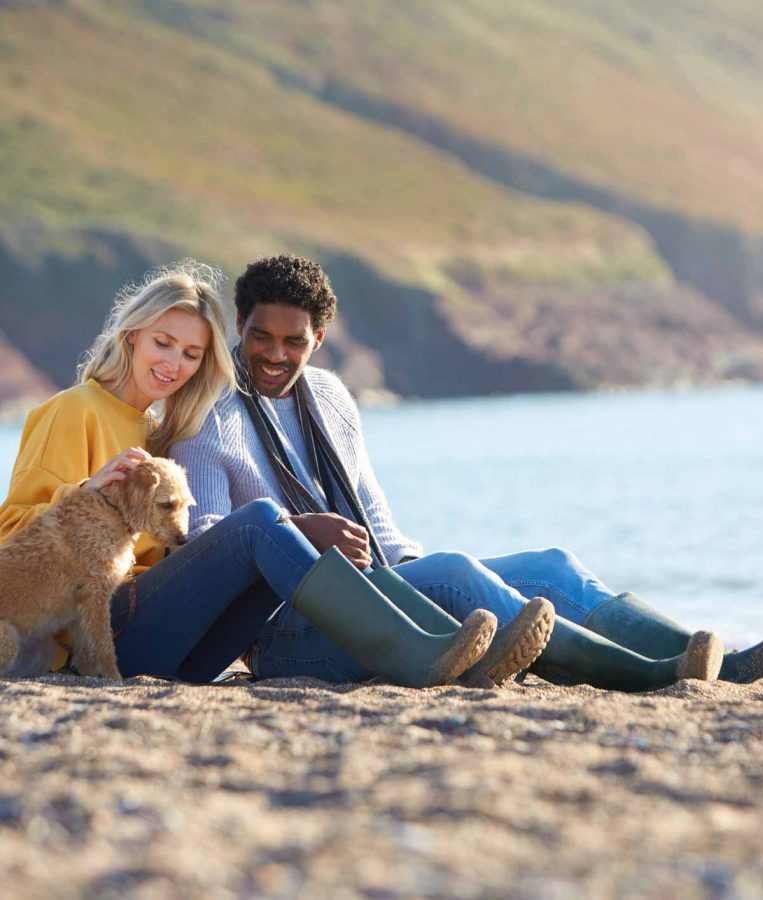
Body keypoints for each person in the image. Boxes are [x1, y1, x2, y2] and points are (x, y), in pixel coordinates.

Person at [173, 256, 763, 692]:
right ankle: (655, 673)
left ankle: (722, 661)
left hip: (379, 598)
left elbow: (381, 528)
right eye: (261, 337)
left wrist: (414, 583)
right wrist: (301, 530)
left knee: (552, 567)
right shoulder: (210, 410)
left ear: (319, 339)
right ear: (241, 325)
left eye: (294, 342)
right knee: (455, 573)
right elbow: (200, 539)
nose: (274, 355)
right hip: (288, 634)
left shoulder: (331, 397)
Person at [0, 261, 518, 686]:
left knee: (265, 541)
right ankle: (406, 646)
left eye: (191, 354)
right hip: (104, 631)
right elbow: (12, 540)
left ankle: (425, 640)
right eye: (163, 342)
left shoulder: (157, 428)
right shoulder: (76, 410)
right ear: (133, 335)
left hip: (185, 652)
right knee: (258, 522)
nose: (173, 363)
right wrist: (87, 492)